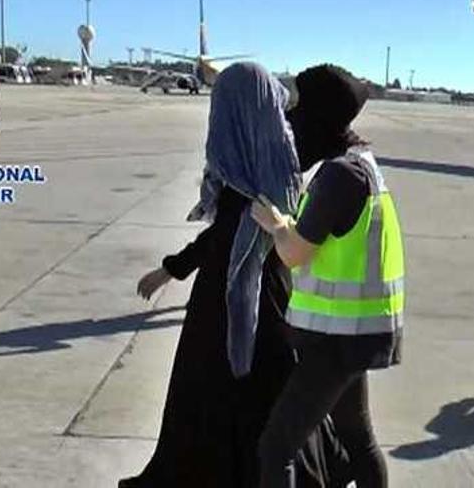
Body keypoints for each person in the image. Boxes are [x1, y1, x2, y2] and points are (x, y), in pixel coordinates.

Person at [120, 62, 349, 488]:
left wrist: (172, 269)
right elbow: (224, 234)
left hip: (238, 309)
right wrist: (173, 268)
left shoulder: (251, 173)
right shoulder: (269, 166)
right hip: (257, 299)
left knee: (237, 404)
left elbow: (225, 235)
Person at [251, 65, 405, 488]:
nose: (291, 121)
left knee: (276, 448)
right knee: (358, 438)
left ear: (318, 115)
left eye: (298, 109)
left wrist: (276, 223)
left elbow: (295, 253)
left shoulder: (339, 175)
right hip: (357, 333)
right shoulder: (362, 166)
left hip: (338, 340)